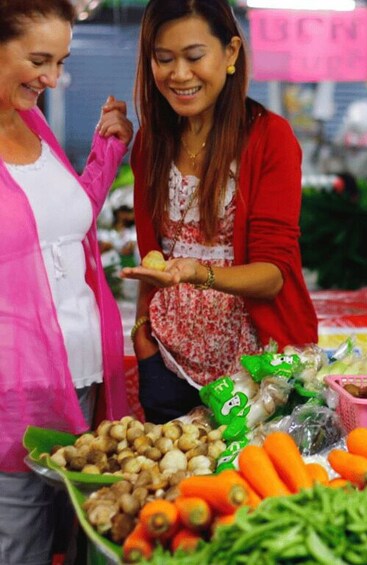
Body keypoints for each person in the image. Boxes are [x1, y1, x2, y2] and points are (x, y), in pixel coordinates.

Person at [122, 0, 318, 424]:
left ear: (230, 53)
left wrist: (199, 274)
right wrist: (143, 336)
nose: (179, 75)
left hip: (254, 376)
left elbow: (272, 276)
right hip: (167, 363)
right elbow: (149, 258)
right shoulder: (150, 144)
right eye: (163, 59)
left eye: (194, 57)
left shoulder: (270, 139)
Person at [0, 1, 134, 563]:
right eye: (39, 60)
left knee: (80, 542)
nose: (53, 79)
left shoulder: (31, 122)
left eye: (61, 61)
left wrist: (107, 151)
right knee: (23, 546)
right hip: (14, 396)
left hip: (81, 379)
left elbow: (59, 225)